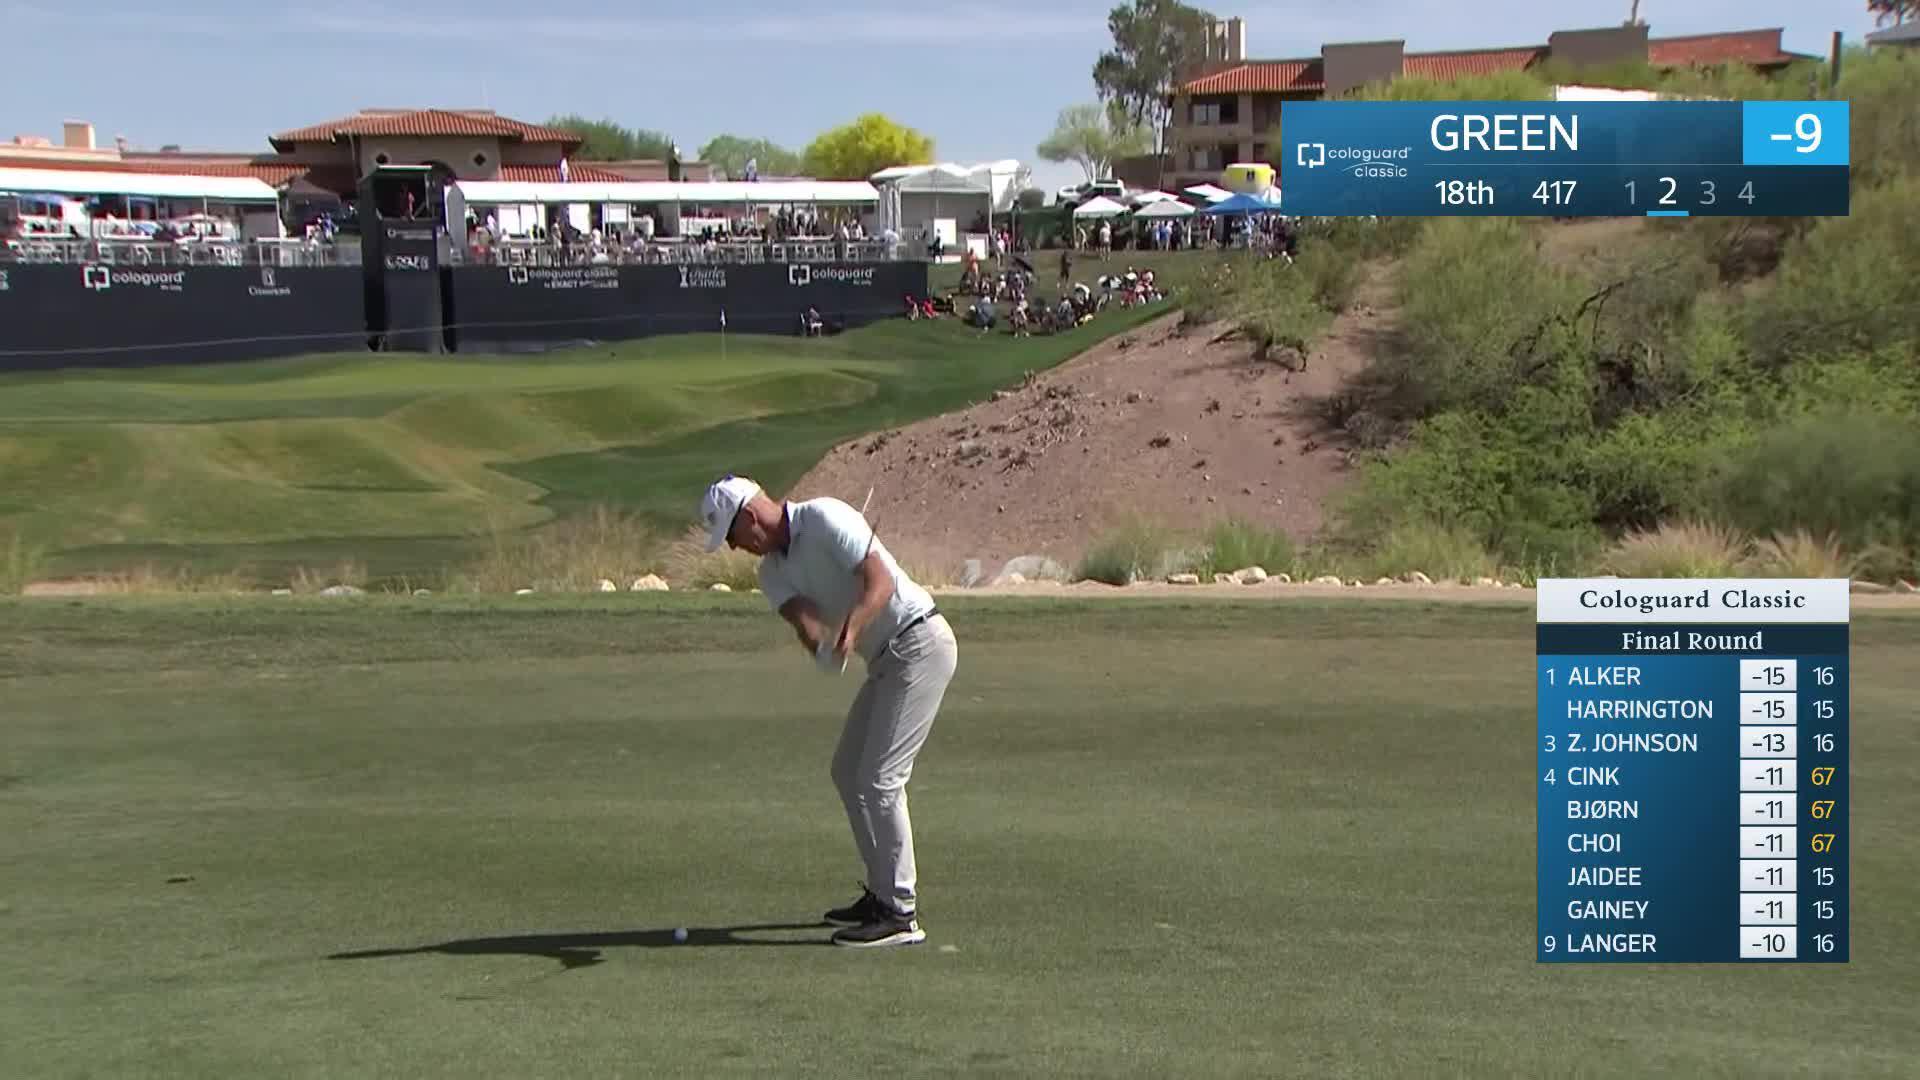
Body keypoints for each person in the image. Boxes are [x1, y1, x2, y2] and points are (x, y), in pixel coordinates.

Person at [698, 476, 959, 949]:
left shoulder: (825, 517)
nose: (736, 549)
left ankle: (900, 912)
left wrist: (852, 629)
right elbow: (802, 618)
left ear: (750, 518)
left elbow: (879, 583)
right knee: (847, 771)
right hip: (886, 661)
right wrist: (820, 643)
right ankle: (880, 891)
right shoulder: (771, 573)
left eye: (734, 538)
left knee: (880, 778)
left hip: (920, 642)